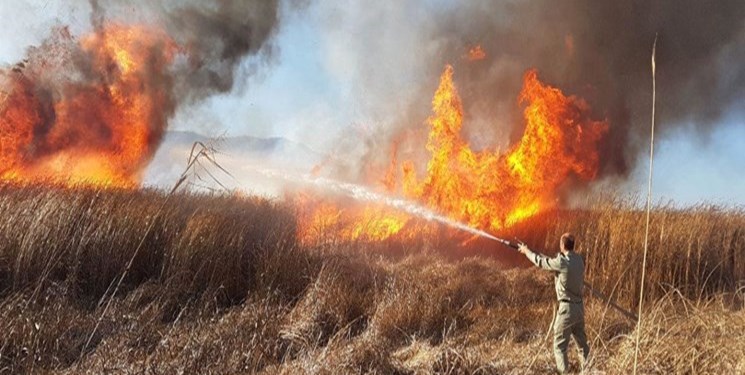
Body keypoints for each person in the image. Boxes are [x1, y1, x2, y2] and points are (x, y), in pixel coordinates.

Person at [517, 233, 590, 374]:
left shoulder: (561, 262)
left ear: (562, 245)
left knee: (560, 346)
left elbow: (540, 262)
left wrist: (526, 251)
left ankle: (564, 372)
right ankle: (587, 370)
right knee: (582, 346)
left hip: (566, 310)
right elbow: (561, 263)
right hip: (579, 309)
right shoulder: (579, 261)